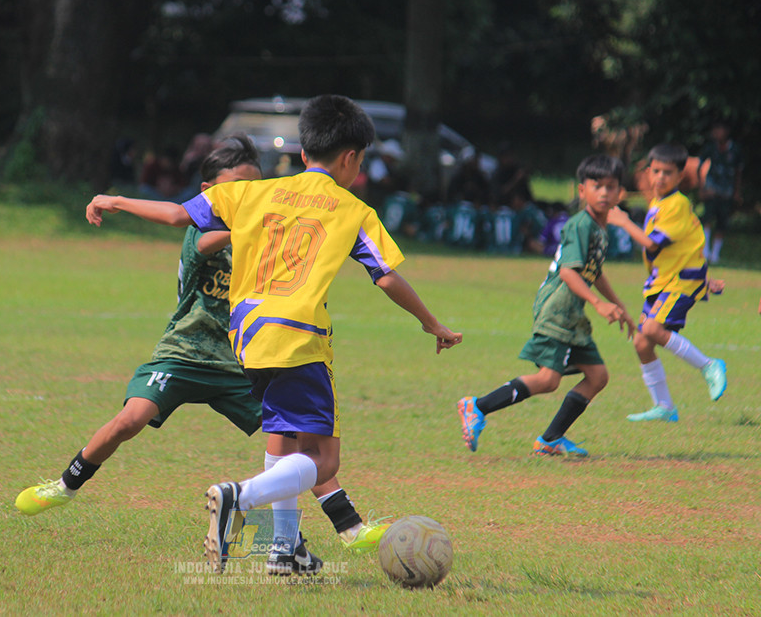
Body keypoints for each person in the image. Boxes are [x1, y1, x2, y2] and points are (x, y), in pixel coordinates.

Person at [84, 95, 463, 574]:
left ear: (304, 154)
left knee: (282, 441)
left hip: (247, 337)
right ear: (350, 159)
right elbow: (385, 275)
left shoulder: (255, 192)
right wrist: (433, 324)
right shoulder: (354, 210)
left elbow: (179, 216)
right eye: (360, 161)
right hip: (300, 337)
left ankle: (284, 552)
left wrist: (114, 199)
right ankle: (238, 497)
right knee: (322, 463)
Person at [17, 134, 391, 575]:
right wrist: (254, 222)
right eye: (234, 189)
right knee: (130, 419)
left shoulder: (269, 227)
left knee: (293, 438)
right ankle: (66, 484)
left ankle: (330, 533)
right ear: (209, 194)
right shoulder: (208, 228)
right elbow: (202, 241)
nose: (246, 195)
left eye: (253, 186)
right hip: (185, 351)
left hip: (242, 361)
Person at [457, 155, 636, 457]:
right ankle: (477, 406)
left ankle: (550, 439)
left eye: (611, 187)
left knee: (597, 376)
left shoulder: (599, 228)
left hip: (572, 313)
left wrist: (618, 306)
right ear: (582, 191)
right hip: (558, 309)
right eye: (597, 186)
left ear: (620, 192)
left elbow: (595, 271)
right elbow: (568, 272)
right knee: (547, 380)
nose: (605, 192)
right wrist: (598, 304)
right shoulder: (581, 225)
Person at [607, 143, 728, 422]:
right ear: (649, 172)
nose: (661, 177)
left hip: (679, 282)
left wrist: (624, 222)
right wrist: (707, 279)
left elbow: (652, 243)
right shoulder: (659, 203)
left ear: (679, 176)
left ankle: (709, 365)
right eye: (657, 171)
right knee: (641, 342)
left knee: (651, 328)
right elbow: (684, 246)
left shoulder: (677, 204)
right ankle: (664, 407)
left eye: (668, 172)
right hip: (663, 281)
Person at [697, 122, 745, 264]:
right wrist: (702, 188)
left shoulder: (735, 150)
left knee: (722, 222)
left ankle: (715, 255)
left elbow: (738, 172)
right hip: (712, 191)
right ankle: (705, 252)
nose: (716, 132)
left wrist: (737, 192)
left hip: (727, 192)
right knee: (707, 219)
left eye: (719, 129)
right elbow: (699, 166)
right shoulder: (711, 148)